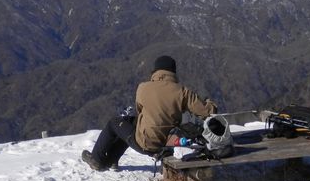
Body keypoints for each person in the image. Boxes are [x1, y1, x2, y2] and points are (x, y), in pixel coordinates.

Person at [81, 55, 217, 171]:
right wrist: (209, 102)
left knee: (114, 123)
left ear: (156, 71)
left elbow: (140, 111)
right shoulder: (183, 91)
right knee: (130, 123)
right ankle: (112, 160)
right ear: (173, 72)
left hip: (147, 143)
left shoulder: (143, 88)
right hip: (168, 144)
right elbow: (207, 112)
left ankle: (97, 160)